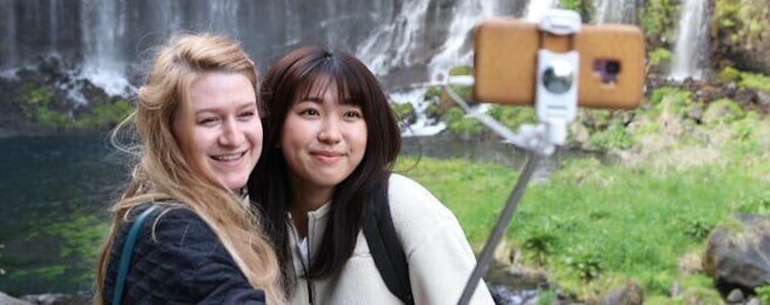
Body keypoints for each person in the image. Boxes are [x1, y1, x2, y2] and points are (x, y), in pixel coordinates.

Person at [248, 46, 494, 304]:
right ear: (275, 127)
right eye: (311, 112)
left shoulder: (404, 209)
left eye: (351, 115)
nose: (331, 134)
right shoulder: (240, 222)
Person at [94, 33, 283, 305]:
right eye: (209, 120)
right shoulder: (172, 232)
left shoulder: (166, 210)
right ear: (168, 132)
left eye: (245, 114)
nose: (233, 137)